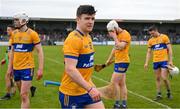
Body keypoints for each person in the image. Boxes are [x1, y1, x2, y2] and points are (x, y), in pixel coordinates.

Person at [59, 5, 105, 109]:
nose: (91, 21)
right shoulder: (73, 39)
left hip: (86, 90)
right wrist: (90, 89)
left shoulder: (88, 37)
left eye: (93, 18)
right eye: (87, 18)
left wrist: (91, 85)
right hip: (71, 94)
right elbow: (70, 69)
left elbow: (86, 68)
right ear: (78, 19)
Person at [7, 13, 44, 108]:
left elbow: (40, 51)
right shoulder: (14, 33)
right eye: (14, 20)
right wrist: (9, 68)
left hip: (28, 68)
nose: (15, 22)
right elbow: (12, 51)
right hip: (16, 68)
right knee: (23, 96)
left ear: (23, 21)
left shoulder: (32, 34)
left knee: (23, 95)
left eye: (17, 20)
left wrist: (40, 69)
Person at [105, 20, 131, 109]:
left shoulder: (125, 34)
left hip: (123, 62)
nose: (111, 34)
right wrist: (109, 60)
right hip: (118, 61)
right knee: (122, 84)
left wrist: (115, 37)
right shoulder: (118, 35)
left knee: (114, 83)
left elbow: (120, 46)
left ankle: (117, 105)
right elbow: (115, 48)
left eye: (112, 31)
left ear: (115, 28)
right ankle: (123, 105)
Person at [144, 25, 173, 101]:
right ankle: (159, 94)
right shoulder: (150, 41)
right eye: (151, 34)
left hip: (164, 61)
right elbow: (149, 52)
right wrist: (146, 63)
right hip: (155, 61)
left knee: (164, 78)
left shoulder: (164, 37)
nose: (152, 35)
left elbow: (170, 49)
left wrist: (170, 61)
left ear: (156, 30)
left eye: (153, 33)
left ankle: (169, 92)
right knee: (157, 78)